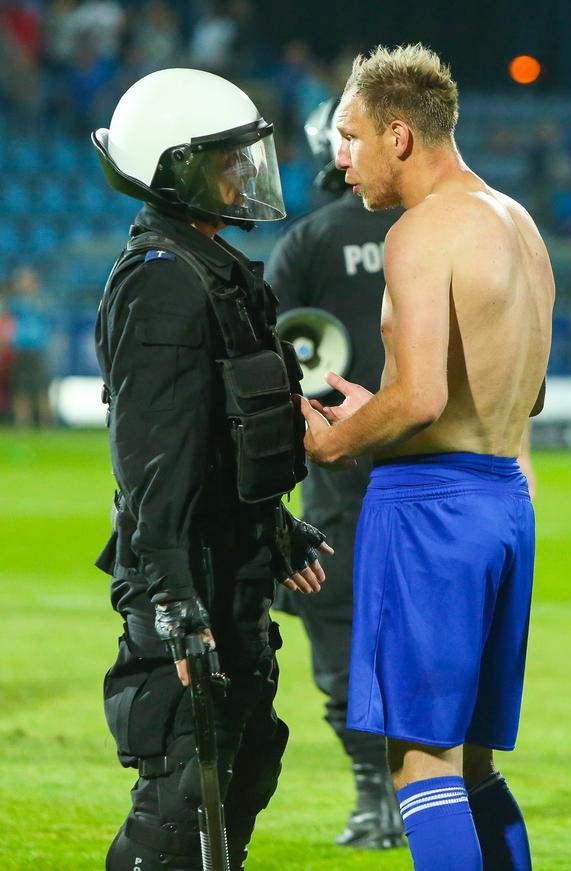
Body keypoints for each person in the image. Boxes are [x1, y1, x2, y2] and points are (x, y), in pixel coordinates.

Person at [300, 44, 554, 871]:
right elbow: (524, 397)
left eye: (352, 135)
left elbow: (420, 400)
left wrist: (338, 438)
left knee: (421, 760)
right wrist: (390, 408)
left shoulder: (420, 231)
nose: (343, 158)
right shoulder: (517, 223)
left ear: (399, 135)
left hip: (430, 511)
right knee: (474, 760)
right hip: (502, 500)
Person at [92, 67, 332, 871]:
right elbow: (153, 459)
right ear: (173, 166)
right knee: (178, 815)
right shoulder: (162, 282)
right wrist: (173, 599)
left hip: (233, 567)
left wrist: (275, 524)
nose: (243, 176)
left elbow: (228, 433)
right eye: (225, 161)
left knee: (244, 766)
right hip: (186, 576)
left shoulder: (212, 267)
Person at [266, 98, 403, 849]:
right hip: (431, 468)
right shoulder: (436, 229)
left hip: (337, 471)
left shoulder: (310, 238)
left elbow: (267, 352)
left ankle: (372, 795)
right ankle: (433, 789)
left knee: (339, 627)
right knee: (426, 637)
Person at [8, 266, 52, 428]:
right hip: (20, 349)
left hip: (37, 348)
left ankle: (46, 424)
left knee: (41, 388)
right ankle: (22, 425)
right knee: (21, 389)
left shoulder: (39, 300)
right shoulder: (15, 302)